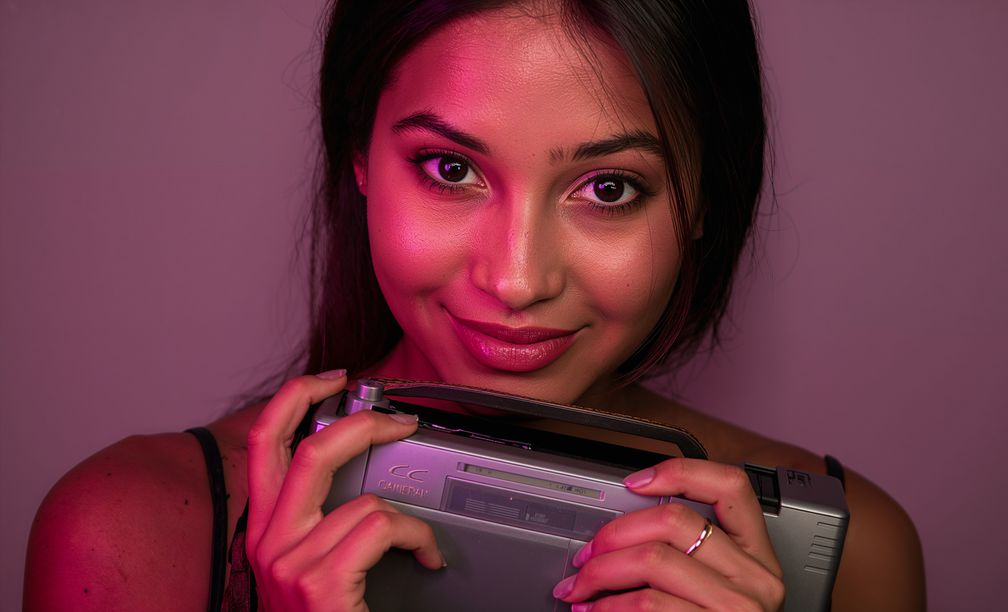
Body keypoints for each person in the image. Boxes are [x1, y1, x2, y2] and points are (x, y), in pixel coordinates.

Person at [24, 1, 925, 610]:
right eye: (451, 170)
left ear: (704, 198)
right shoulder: (131, 537)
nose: (517, 280)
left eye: (609, 188)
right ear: (360, 156)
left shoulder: (854, 561)